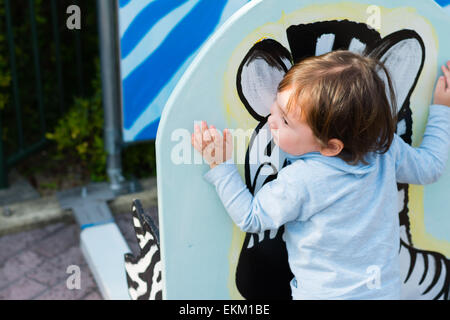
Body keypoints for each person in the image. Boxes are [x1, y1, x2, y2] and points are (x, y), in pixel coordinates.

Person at [190, 50, 450, 299]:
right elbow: (430, 166)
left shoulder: (302, 181)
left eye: (286, 121)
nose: (271, 119)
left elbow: (251, 217)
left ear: (330, 146)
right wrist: (442, 109)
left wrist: (220, 164)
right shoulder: (384, 148)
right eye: (277, 107)